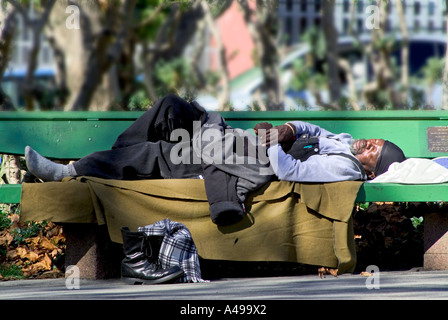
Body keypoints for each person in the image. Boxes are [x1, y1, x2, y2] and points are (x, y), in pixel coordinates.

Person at [24, 94, 406, 225]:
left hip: (250, 159)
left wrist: (273, 142)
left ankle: (70, 171)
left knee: (162, 152)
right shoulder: (344, 142)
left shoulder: (345, 167)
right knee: (170, 107)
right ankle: (106, 164)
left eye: (375, 148)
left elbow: (290, 170)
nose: (369, 142)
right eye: (374, 139)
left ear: (372, 167)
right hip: (241, 142)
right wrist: (289, 128)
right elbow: (312, 130)